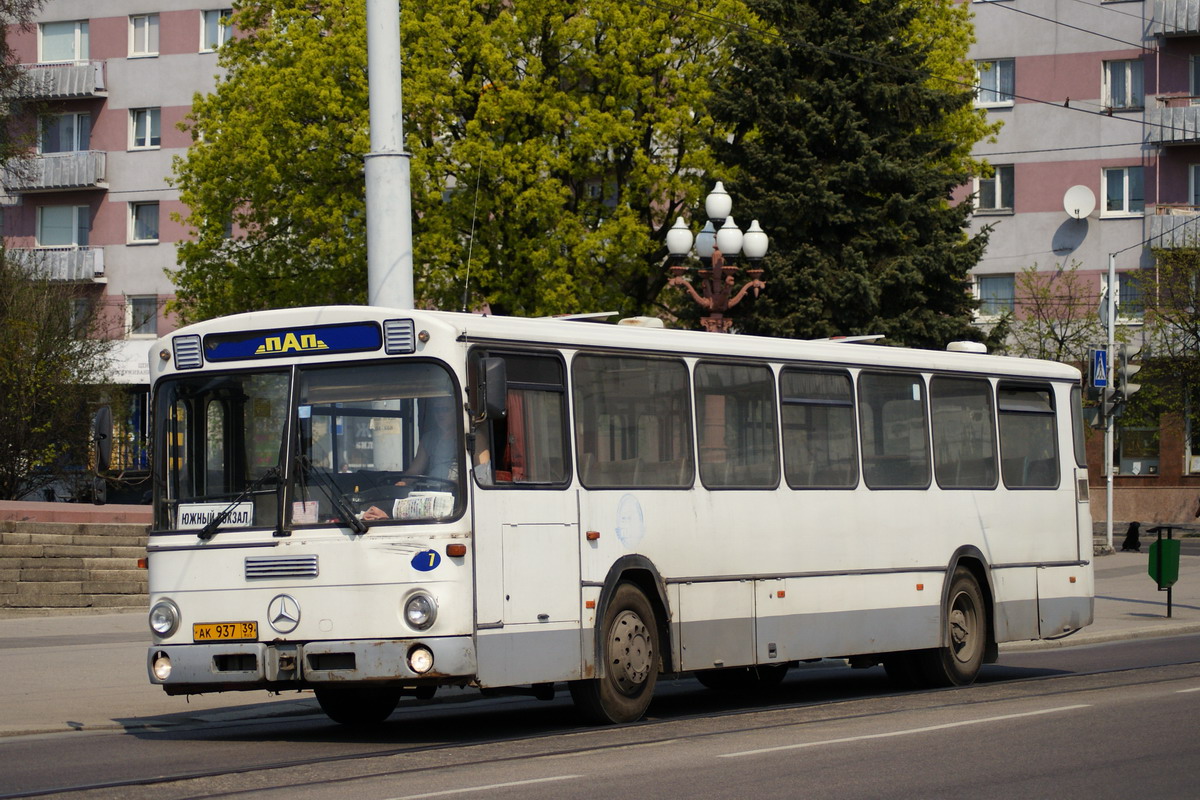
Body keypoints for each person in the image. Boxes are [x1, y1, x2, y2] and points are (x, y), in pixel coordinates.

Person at [362, 396, 458, 521]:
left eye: (445, 409)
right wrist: (403, 483)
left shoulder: (467, 436)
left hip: (457, 496)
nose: (440, 414)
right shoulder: (429, 438)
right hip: (431, 495)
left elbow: (481, 473)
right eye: (437, 410)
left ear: (457, 411)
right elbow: (414, 471)